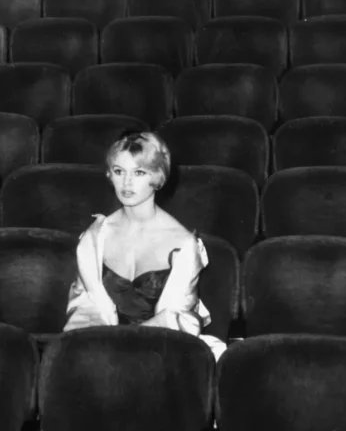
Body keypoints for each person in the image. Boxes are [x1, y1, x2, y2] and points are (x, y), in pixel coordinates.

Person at [64, 131, 226, 361]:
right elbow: (84, 308)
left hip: (161, 351)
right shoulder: (94, 238)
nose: (127, 182)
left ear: (158, 177)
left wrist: (128, 348)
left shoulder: (183, 244)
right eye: (119, 171)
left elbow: (177, 319)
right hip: (101, 349)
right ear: (110, 175)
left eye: (139, 172)